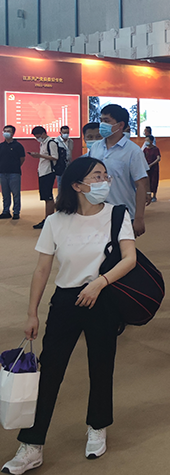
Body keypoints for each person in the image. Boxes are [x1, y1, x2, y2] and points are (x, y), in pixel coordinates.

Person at [1, 158, 136, 474]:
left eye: (105, 175)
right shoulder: (55, 221)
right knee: (50, 370)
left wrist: (100, 283)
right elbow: (42, 269)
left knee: (101, 366)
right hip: (66, 301)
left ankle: (97, 426)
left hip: (103, 298)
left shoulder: (117, 214)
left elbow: (129, 258)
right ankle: (32, 445)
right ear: (77, 185)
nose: (104, 181)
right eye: (97, 176)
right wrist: (32, 313)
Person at [89, 104, 150, 237]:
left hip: (123, 213)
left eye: (106, 121)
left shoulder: (133, 151)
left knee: (122, 248)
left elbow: (141, 185)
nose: (102, 124)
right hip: (96, 212)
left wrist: (139, 218)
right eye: (101, 120)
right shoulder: (95, 148)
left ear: (120, 125)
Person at [29, 126, 58, 230]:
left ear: (43, 133)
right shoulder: (43, 143)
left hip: (49, 172)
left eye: (38, 136)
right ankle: (48, 219)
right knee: (45, 197)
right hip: (42, 172)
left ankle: (49, 220)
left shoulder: (51, 143)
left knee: (48, 197)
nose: (37, 138)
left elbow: (55, 157)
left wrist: (40, 156)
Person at [0, 124, 26, 220]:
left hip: (14, 173)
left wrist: (15, 166)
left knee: (16, 194)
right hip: (2, 173)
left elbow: (22, 158)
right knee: (5, 194)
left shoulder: (18, 146)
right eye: (5, 131)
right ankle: (6, 211)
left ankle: (16, 212)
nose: (6, 133)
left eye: (8, 131)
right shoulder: (1, 146)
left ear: (13, 133)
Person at [143, 135, 161, 202]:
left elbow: (158, 158)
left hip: (154, 168)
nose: (146, 142)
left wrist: (151, 165)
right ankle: (148, 195)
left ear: (151, 141)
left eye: (147, 140)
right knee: (147, 182)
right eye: (145, 140)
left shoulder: (156, 149)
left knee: (154, 181)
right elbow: (142, 158)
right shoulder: (145, 150)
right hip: (146, 168)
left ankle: (154, 196)